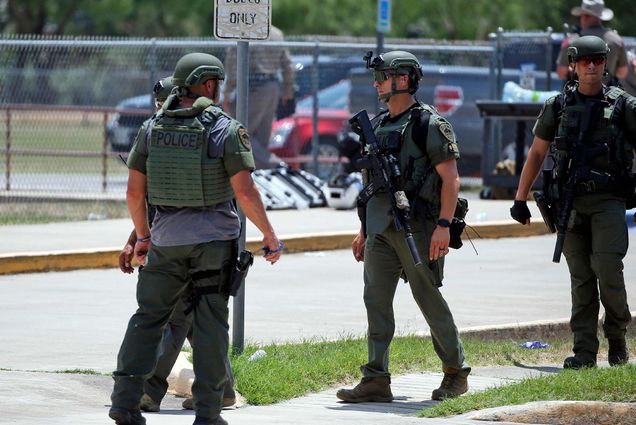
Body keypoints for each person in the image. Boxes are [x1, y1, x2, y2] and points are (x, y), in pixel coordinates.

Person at [109, 52, 283, 425]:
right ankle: (208, 412)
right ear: (207, 83)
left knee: (148, 319)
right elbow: (247, 192)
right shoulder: (224, 128)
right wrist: (269, 235)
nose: (219, 90)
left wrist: (142, 237)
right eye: (216, 83)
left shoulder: (152, 127)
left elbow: (134, 194)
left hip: (165, 242)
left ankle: (124, 403)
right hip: (212, 245)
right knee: (209, 325)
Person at [336, 51, 470, 403]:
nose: (376, 82)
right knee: (376, 301)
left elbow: (451, 180)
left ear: (405, 79)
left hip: (420, 228)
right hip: (380, 229)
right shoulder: (377, 125)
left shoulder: (429, 124)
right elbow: (369, 188)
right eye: (377, 76)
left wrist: (443, 225)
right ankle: (376, 379)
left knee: (427, 296)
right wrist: (364, 231)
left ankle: (456, 372)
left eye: (384, 75)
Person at [510, 36, 633, 370]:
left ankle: (617, 334)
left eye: (597, 60)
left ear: (605, 63)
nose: (592, 66)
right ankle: (584, 351)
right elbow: (537, 152)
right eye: (585, 61)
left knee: (607, 268)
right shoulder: (558, 106)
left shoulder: (623, 106)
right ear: (574, 65)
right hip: (569, 203)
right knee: (580, 278)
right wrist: (520, 199)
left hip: (608, 199)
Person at [118, 76, 236, 414]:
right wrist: (133, 240)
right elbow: (150, 202)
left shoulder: (193, 136)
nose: (158, 108)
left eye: (163, 101)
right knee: (194, 322)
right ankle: (222, 389)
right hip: (170, 241)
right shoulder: (161, 132)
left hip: (189, 244)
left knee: (173, 320)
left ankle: (148, 391)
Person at [222, 25, 295, 169]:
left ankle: (274, 164)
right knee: (261, 139)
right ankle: (260, 175)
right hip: (272, 87)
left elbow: (233, 65)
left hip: (252, 87)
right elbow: (288, 65)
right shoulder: (277, 33)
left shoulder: (243, 30)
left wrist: (227, 92)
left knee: (238, 134)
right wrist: (287, 91)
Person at [556, 0, 628, 85]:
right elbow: (622, 72)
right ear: (601, 16)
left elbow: (561, 73)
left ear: (585, 17)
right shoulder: (617, 40)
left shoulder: (571, 41)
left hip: (576, 95)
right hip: (607, 95)